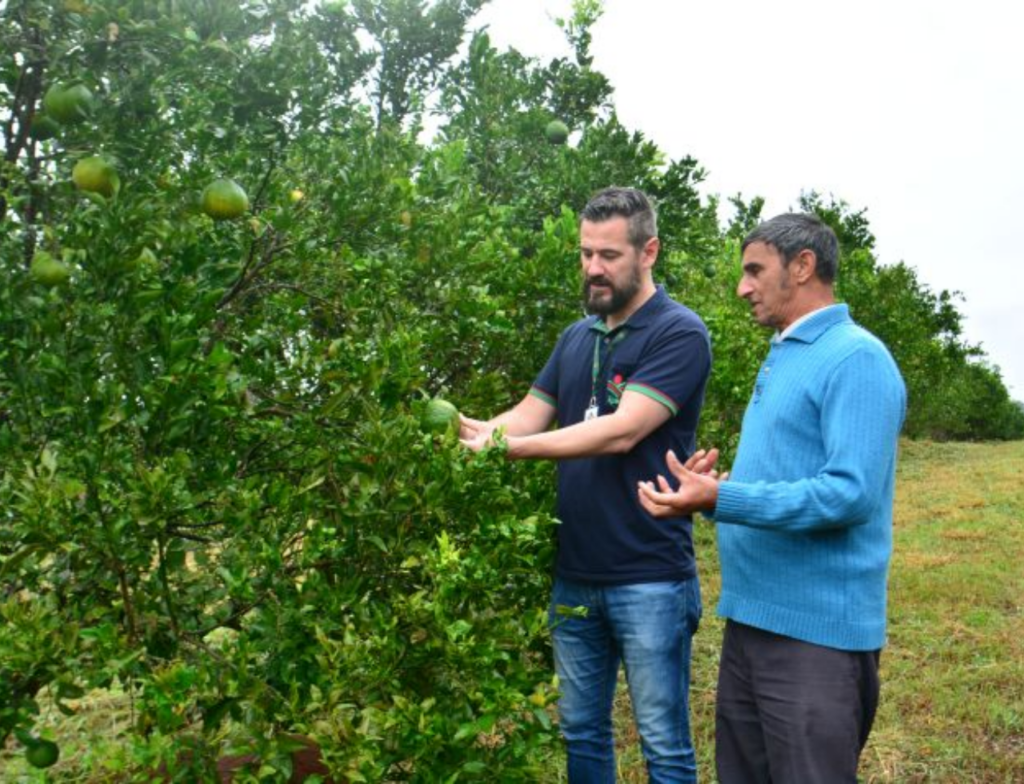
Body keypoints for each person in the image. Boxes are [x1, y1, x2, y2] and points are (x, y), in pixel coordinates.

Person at [638, 212, 907, 784]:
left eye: (755, 271)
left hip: (815, 635)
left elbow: (850, 494)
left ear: (803, 265)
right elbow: (791, 470)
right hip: (751, 620)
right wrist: (714, 490)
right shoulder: (785, 352)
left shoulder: (855, 358)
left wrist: (724, 499)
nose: (743, 288)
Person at [460, 186, 711, 783]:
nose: (594, 268)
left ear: (648, 252)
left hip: (649, 574)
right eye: (585, 253)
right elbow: (528, 414)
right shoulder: (578, 337)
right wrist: (468, 432)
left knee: (663, 743)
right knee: (581, 733)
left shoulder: (678, 333)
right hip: (575, 573)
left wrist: (509, 449)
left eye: (609, 255)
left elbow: (622, 431)